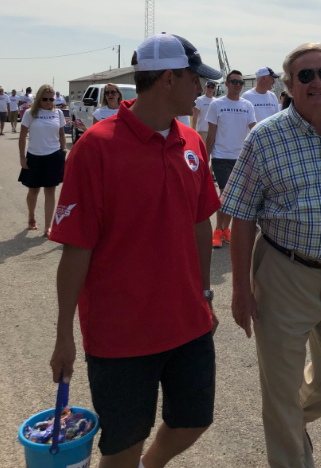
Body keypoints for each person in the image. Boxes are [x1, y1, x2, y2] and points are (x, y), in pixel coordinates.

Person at [49, 32, 222, 468]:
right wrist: (64, 334)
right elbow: (76, 248)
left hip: (187, 321)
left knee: (194, 420)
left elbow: (202, 222)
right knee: (122, 445)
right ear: (168, 79)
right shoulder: (96, 148)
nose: (201, 90)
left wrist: (204, 293)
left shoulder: (193, 143)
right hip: (120, 333)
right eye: (195, 80)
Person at [221, 43, 321, 468]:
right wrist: (241, 290)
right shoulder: (264, 137)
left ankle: (290, 422)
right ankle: (290, 443)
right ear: (290, 84)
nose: (318, 83)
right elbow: (240, 218)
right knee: (280, 386)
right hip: (283, 273)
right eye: (306, 76)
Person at [206, 70, 256, 248]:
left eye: (240, 83)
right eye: (234, 82)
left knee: (233, 196)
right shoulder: (216, 104)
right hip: (221, 156)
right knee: (225, 195)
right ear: (226, 84)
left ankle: (226, 229)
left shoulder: (247, 105)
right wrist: (206, 159)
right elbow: (211, 134)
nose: (238, 85)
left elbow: (254, 129)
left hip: (240, 158)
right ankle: (218, 231)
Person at [18, 85, 67, 236]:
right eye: (45, 99)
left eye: (51, 99)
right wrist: (22, 157)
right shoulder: (29, 113)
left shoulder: (57, 113)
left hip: (53, 156)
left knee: (50, 191)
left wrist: (63, 150)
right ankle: (31, 217)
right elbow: (22, 137)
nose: (48, 102)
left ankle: (48, 226)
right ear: (39, 98)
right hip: (34, 156)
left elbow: (62, 134)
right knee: (33, 190)